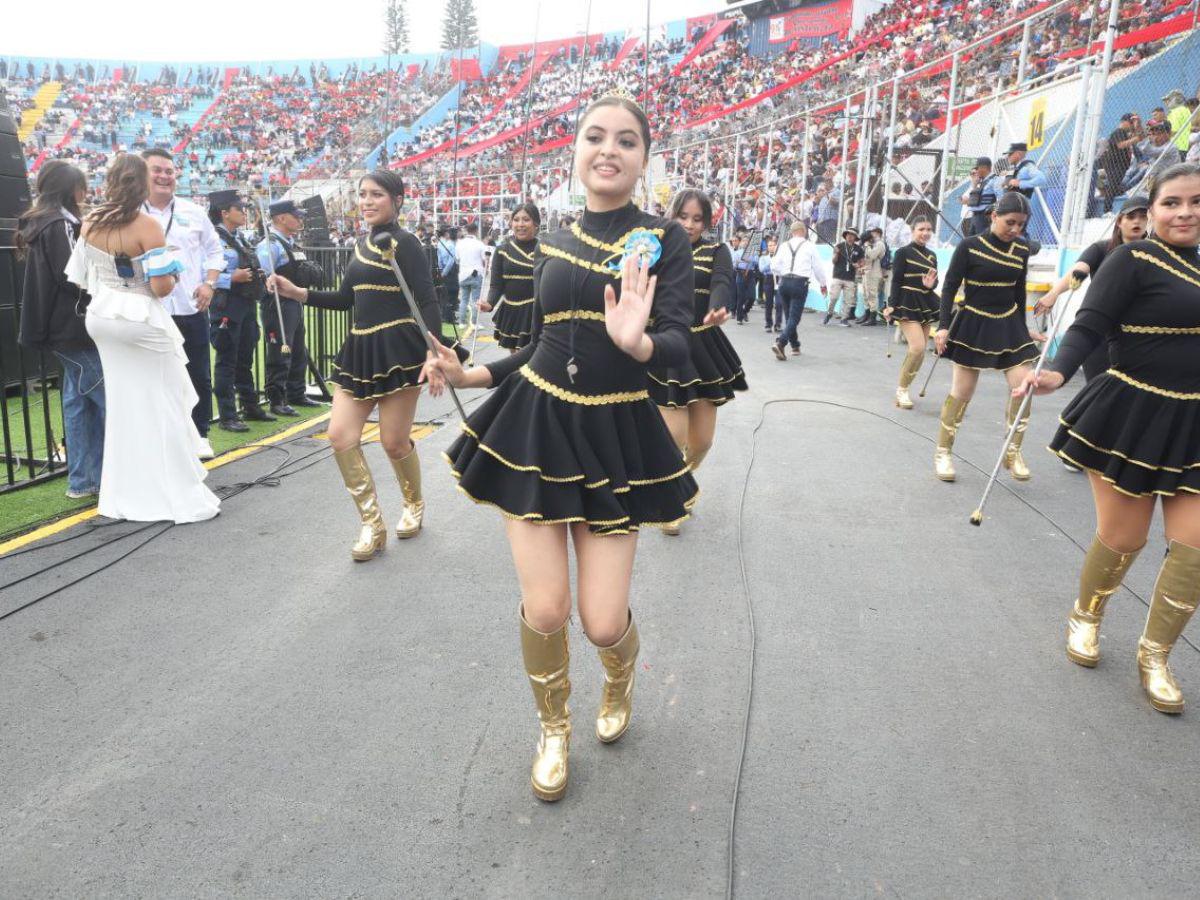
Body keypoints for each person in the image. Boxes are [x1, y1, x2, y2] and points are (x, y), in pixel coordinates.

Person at [422, 93, 698, 802]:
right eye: (595, 136)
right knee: (546, 609)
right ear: (575, 150)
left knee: (602, 620)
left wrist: (638, 343)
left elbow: (677, 343)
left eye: (627, 141)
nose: (609, 149)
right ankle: (552, 730)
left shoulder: (665, 240)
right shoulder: (553, 237)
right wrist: (471, 372)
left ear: (643, 158)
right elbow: (540, 343)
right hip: (538, 429)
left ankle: (618, 673)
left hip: (614, 435)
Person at [1020, 163, 1200, 715]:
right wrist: (1056, 369)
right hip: (1133, 413)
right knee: (1125, 539)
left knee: (1195, 550)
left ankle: (1156, 656)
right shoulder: (1132, 258)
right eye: (1172, 203)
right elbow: (1089, 325)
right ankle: (1086, 616)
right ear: (1152, 208)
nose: (1186, 212)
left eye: (1196, 202)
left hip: (1196, 423)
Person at [269, 170, 456, 561]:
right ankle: (372, 523)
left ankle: (414, 505)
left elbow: (426, 300)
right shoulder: (358, 245)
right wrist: (297, 292)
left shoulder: (406, 243)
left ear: (397, 200)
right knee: (340, 435)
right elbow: (344, 299)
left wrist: (433, 353)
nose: (367, 202)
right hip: (359, 350)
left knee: (393, 441)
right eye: (363, 195)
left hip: (399, 352)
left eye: (377, 195)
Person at [63, 153, 219, 523]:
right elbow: (161, 287)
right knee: (163, 401)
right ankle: (170, 489)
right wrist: (175, 272)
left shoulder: (91, 221)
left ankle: (124, 491)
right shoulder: (146, 225)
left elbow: (82, 276)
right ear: (141, 183)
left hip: (102, 318)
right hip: (139, 318)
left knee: (123, 405)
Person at [648, 188, 747, 536]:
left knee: (701, 441)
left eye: (697, 219)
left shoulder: (717, 250)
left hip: (703, 347)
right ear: (671, 216)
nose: (689, 225)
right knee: (673, 437)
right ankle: (669, 499)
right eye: (683, 217)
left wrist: (719, 306)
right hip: (664, 346)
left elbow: (721, 281)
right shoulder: (655, 250)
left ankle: (678, 483)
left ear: (706, 223)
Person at [932, 192, 1039, 482]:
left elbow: (1019, 291)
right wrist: (943, 326)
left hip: (1008, 324)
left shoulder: (1021, 250)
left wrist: (1023, 326)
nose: (1016, 230)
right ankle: (943, 452)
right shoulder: (969, 247)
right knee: (962, 392)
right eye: (1010, 222)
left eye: (1021, 224)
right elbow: (950, 286)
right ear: (993, 216)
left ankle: (1013, 450)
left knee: (1024, 385)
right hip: (973, 324)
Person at [17, 160, 104, 499]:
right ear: (72, 189)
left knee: (78, 404)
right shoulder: (59, 225)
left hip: (60, 327)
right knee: (108, 398)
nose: (85, 194)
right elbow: (74, 276)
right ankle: (110, 475)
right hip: (73, 327)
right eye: (82, 187)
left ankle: (83, 481)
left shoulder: (44, 222)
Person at [140, 148, 225, 460]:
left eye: (169, 171)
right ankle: (162, 438)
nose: (164, 176)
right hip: (150, 311)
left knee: (198, 374)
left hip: (191, 310)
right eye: (157, 170)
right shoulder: (132, 213)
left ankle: (199, 434)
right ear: (142, 173)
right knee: (155, 377)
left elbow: (215, 252)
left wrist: (209, 283)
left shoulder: (193, 211)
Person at [1033, 194, 1149, 384]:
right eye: (1131, 216)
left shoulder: (1156, 253)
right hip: (1101, 332)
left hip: (1139, 336)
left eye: (1143, 216)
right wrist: (1053, 294)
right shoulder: (1102, 249)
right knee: (1098, 392)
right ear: (1119, 221)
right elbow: (1080, 268)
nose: (1137, 221)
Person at [207, 189, 273, 433]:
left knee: (245, 357)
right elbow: (204, 272)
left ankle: (250, 405)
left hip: (244, 303)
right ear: (225, 212)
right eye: (239, 208)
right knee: (226, 359)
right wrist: (230, 277)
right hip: (225, 304)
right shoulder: (212, 238)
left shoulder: (240, 237)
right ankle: (227, 415)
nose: (244, 212)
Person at [257, 199, 324, 416]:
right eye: (296, 216)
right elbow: (266, 277)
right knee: (280, 350)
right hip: (277, 304)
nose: (300, 219)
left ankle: (296, 392)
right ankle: (276, 399)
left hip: (293, 302)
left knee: (297, 349)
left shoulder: (289, 242)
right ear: (282, 218)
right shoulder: (270, 245)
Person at [882, 217, 939, 409]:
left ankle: (905, 387)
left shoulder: (932, 256)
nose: (925, 233)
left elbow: (933, 281)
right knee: (916, 348)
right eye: (921, 229)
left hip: (925, 301)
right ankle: (901, 390)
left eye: (929, 229)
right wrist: (892, 305)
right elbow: (896, 280)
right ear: (913, 231)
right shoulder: (902, 252)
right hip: (907, 302)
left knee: (920, 352)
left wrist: (931, 285)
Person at [480, 203, 539, 352]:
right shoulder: (502, 251)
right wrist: (489, 303)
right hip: (512, 311)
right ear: (511, 223)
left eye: (526, 219)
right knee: (515, 360)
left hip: (537, 312)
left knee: (537, 360)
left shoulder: (546, 249)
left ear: (536, 223)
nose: (520, 224)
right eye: (516, 220)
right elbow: (496, 285)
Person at [770, 220, 828, 360]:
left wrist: (783, 274)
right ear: (804, 231)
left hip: (784, 282)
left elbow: (774, 266)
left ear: (791, 232)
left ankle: (795, 346)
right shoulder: (809, 246)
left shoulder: (784, 245)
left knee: (789, 317)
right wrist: (823, 284)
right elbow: (818, 267)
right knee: (794, 318)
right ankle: (781, 342)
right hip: (799, 283)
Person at [823, 227, 863, 326]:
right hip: (838, 276)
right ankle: (829, 313)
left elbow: (862, 263)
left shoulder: (859, 249)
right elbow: (833, 261)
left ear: (855, 237)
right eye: (848, 234)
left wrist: (857, 265)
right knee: (834, 297)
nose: (850, 236)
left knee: (848, 300)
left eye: (852, 235)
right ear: (845, 236)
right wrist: (836, 253)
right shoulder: (839, 246)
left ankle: (844, 318)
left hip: (850, 278)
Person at [456, 221, 486, 326]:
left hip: (463, 274)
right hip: (476, 274)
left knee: (464, 300)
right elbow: (484, 260)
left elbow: (457, 259)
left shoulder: (459, 243)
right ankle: (475, 322)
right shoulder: (480, 244)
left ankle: (461, 322)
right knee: (476, 300)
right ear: (476, 231)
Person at [963, 156, 1002, 235]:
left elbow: (1002, 198)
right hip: (975, 216)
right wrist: (974, 184)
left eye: (977, 169)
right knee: (971, 243)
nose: (976, 171)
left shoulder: (995, 180)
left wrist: (992, 211)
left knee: (982, 243)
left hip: (984, 218)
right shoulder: (980, 182)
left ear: (984, 168)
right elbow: (967, 199)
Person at [856, 227, 885, 325]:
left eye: (873, 233)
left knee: (872, 294)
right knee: (865, 294)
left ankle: (872, 318)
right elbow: (863, 258)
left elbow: (872, 256)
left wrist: (867, 246)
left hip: (874, 272)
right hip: (866, 272)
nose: (872, 236)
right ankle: (867, 314)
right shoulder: (870, 244)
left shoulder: (880, 244)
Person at [436, 226, 459, 324]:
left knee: (445, 294)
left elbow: (439, 259)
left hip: (443, 271)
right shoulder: (450, 244)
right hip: (450, 272)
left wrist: (441, 272)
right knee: (453, 294)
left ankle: (445, 316)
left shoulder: (439, 244)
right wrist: (445, 272)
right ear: (446, 233)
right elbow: (451, 260)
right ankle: (451, 317)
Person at [759, 236, 780, 332]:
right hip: (768, 279)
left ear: (776, 246)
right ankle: (768, 323)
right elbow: (762, 269)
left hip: (778, 278)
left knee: (779, 303)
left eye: (773, 245)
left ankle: (778, 324)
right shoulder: (763, 258)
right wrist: (771, 263)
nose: (771, 247)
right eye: (769, 245)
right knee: (769, 303)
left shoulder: (780, 257)